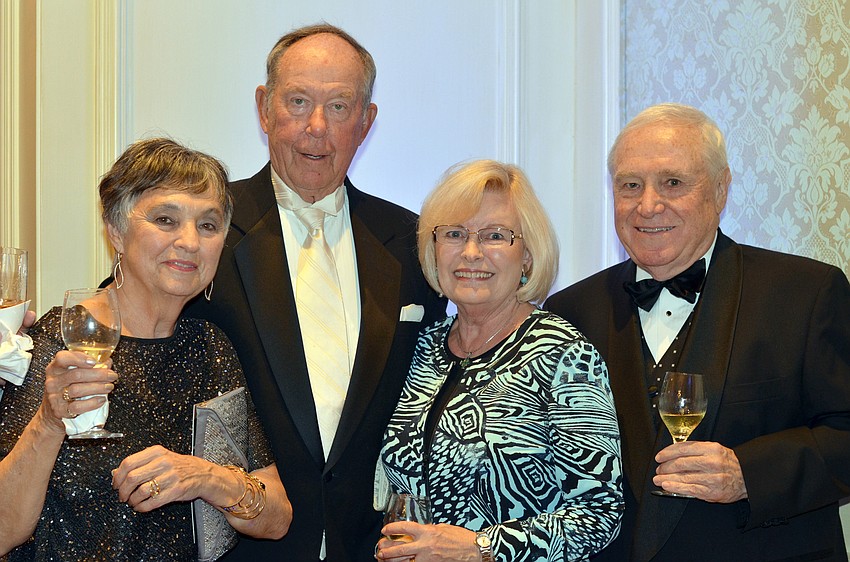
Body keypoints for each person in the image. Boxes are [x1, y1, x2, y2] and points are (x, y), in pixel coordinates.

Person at [185, 24, 445, 561]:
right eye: (298, 101)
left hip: (375, 548)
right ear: (264, 108)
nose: (316, 128)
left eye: (340, 107)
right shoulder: (202, 231)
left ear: (367, 122)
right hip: (239, 547)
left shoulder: (412, 242)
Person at [545, 103, 850, 561]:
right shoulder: (570, 311)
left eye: (673, 182)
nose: (648, 205)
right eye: (630, 185)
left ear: (721, 189)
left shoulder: (805, 293)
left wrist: (748, 473)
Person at [0, 138, 292, 560]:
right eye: (166, 219)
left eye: (207, 225)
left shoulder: (209, 348)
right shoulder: (57, 341)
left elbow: (277, 515)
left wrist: (207, 477)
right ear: (116, 231)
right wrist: (48, 422)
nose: (190, 241)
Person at [377, 160, 623, 562]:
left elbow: (599, 515)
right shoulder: (420, 346)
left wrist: (478, 548)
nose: (471, 253)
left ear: (527, 256)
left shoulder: (564, 355)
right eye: (455, 234)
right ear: (433, 249)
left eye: (495, 236)